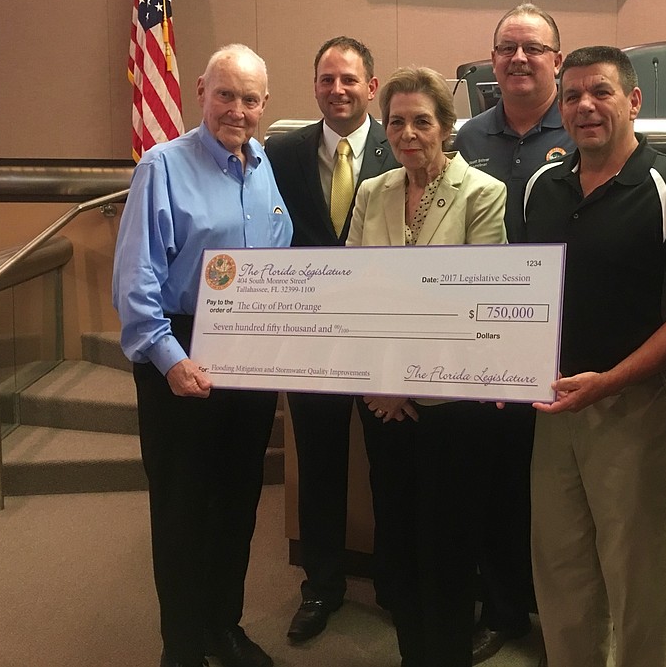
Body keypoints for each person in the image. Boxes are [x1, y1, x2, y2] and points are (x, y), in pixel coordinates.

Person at [521, 46, 666, 667]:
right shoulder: (540, 187)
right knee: (561, 572)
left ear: (632, 100)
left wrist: (609, 382)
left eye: (599, 92)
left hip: (637, 407)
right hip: (553, 410)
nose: (584, 106)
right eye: (572, 95)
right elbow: (518, 294)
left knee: (639, 578)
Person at [113, 44, 291, 667]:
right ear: (200, 92)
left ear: (265, 105)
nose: (237, 110)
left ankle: (225, 626)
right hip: (180, 351)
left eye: (249, 99)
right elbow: (136, 281)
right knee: (184, 506)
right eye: (226, 95)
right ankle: (182, 644)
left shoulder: (264, 165)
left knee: (239, 499)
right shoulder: (162, 166)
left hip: (251, 353)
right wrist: (170, 358)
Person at [348, 66, 507, 667]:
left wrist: (406, 380)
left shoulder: (482, 195)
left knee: (446, 548)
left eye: (422, 120)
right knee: (397, 546)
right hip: (384, 404)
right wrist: (382, 383)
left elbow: (469, 304)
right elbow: (354, 292)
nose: (408, 133)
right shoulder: (373, 192)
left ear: (446, 126)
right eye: (396, 121)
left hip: (452, 408)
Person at [265, 36, 398, 643]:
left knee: (392, 465)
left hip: (383, 340)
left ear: (372, 86)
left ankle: (397, 583)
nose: (337, 90)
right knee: (317, 466)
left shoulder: (404, 145)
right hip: (312, 339)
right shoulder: (281, 152)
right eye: (326, 80)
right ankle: (322, 584)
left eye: (349, 80)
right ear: (314, 86)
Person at [452, 2, 574, 662]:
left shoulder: (581, 125)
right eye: (507, 48)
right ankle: (503, 607)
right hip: (485, 343)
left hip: (566, 342)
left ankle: (562, 615)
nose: (519, 58)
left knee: (560, 492)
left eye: (533, 47)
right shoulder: (466, 136)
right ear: (491, 61)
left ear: (558, 57)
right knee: (496, 481)